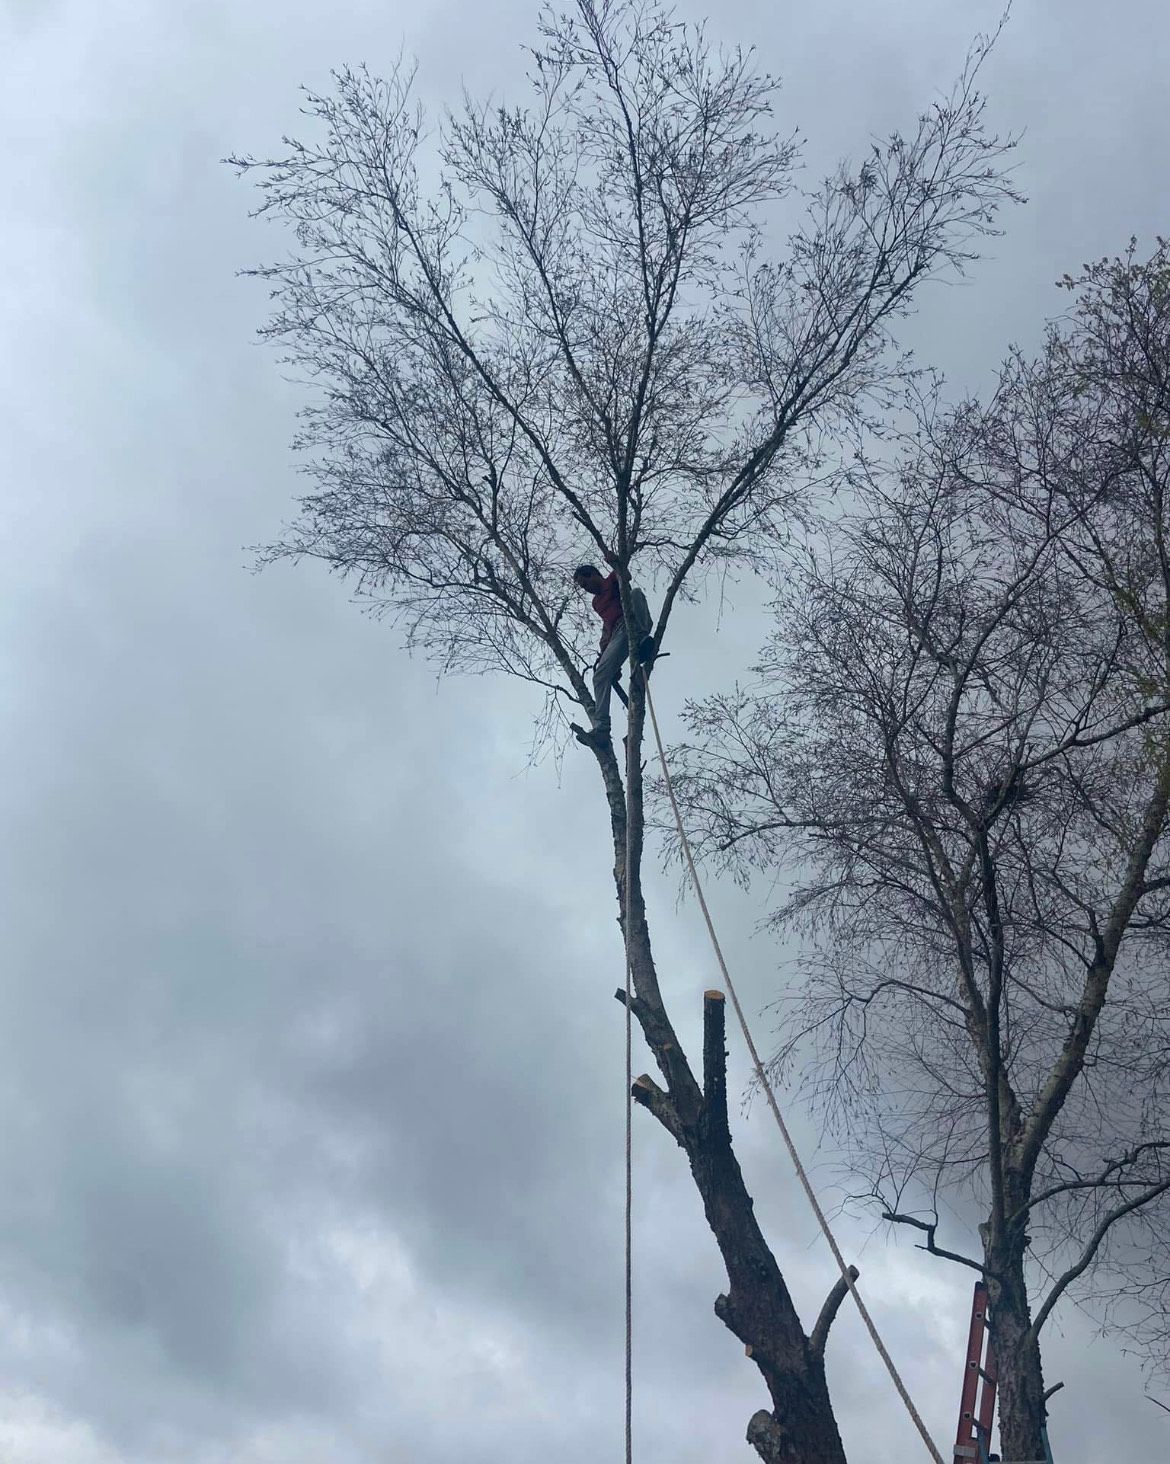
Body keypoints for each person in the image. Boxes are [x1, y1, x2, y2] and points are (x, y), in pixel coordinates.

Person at [572, 564, 654, 739]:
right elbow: (607, 628)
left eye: (585, 584)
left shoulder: (612, 578)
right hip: (618, 632)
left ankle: (642, 640)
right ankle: (602, 728)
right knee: (600, 676)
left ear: (593, 574)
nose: (587, 590)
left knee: (636, 593)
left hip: (632, 618)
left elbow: (626, 576)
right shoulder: (596, 603)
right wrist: (606, 657)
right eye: (583, 588)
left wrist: (615, 562)